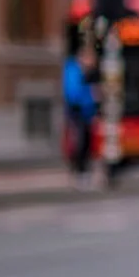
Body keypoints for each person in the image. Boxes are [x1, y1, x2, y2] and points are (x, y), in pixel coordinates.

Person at [63, 46, 99, 190]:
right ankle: (79, 173)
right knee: (79, 143)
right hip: (77, 114)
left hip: (86, 113)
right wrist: (92, 95)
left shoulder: (82, 72)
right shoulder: (73, 70)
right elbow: (73, 94)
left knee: (86, 143)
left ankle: (84, 172)